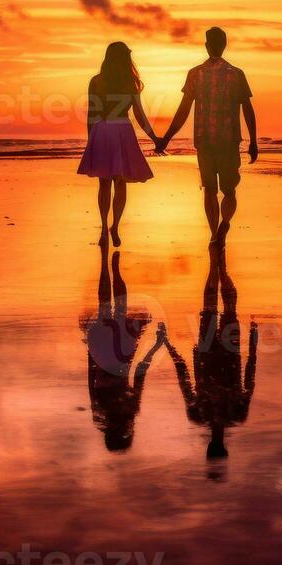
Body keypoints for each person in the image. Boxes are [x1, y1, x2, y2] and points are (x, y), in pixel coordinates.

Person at [155, 27, 256, 244]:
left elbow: (183, 110)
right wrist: (254, 141)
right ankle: (223, 225)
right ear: (224, 44)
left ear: (207, 45)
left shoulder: (195, 74)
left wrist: (166, 138)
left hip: (206, 141)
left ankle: (214, 235)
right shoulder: (236, 74)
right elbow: (248, 109)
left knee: (209, 190)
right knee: (228, 191)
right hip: (227, 141)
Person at [163, 245, 257, 474]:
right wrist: (167, 344)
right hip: (215, 353)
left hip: (225, 353)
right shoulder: (205, 415)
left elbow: (249, 376)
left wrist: (254, 345)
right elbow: (183, 375)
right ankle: (217, 265)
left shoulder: (228, 415)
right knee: (213, 307)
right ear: (211, 448)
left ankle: (218, 266)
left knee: (220, 307)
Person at [81, 243, 165, 453]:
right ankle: (105, 266)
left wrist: (156, 345)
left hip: (120, 356)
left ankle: (112, 269)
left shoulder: (127, 410)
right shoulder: (101, 413)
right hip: (105, 356)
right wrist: (90, 351)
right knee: (106, 306)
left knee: (118, 308)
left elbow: (139, 375)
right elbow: (91, 380)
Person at [77, 41, 163, 247]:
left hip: (102, 129)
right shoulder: (129, 82)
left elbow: (92, 113)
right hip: (122, 129)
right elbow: (140, 116)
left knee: (104, 182)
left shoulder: (97, 81)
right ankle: (114, 226)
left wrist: (91, 141)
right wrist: (155, 138)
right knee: (120, 181)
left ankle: (105, 227)